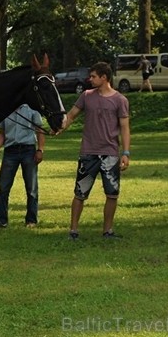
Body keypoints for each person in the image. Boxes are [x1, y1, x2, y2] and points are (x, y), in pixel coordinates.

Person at [58, 62, 130, 240]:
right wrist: (59, 127)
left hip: (110, 154)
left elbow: (125, 128)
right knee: (80, 194)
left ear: (104, 77)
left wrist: (126, 153)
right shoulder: (86, 96)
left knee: (112, 194)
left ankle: (108, 231)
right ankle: (73, 231)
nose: (89, 79)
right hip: (88, 153)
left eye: (93, 76)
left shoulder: (120, 100)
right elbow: (72, 115)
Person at [0, 104, 45, 228]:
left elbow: (39, 130)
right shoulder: (5, 109)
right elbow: (2, 133)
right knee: (3, 188)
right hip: (10, 151)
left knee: (31, 188)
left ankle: (31, 220)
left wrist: (40, 149)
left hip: (28, 150)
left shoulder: (32, 109)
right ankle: (1, 221)